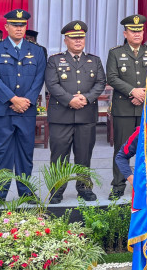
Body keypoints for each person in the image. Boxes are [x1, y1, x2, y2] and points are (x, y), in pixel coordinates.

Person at [0, 9, 46, 200]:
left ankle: (26, 192)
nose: (19, 29)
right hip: (2, 110)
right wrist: (13, 99)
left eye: (22, 25)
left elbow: (39, 78)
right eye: (15, 25)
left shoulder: (36, 50)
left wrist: (25, 101)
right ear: (6, 27)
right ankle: (0, 194)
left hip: (26, 110)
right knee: (1, 153)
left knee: (25, 153)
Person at [44, 20, 106, 203]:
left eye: (81, 37)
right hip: (61, 116)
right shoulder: (54, 60)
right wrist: (70, 100)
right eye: (74, 38)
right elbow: (52, 84)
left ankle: (84, 188)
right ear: (65, 40)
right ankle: (57, 190)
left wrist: (86, 98)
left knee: (84, 154)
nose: (78, 41)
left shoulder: (94, 60)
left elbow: (100, 83)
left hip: (86, 115)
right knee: (59, 156)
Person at [105, 14, 147, 199]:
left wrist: (143, 94)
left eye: (140, 30)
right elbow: (111, 77)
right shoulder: (115, 52)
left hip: (146, 107)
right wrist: (132, 92)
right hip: (124, 108)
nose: (137, 34)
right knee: (122, 148)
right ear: (125, 33)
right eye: (133, 31)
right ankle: (118, 185)